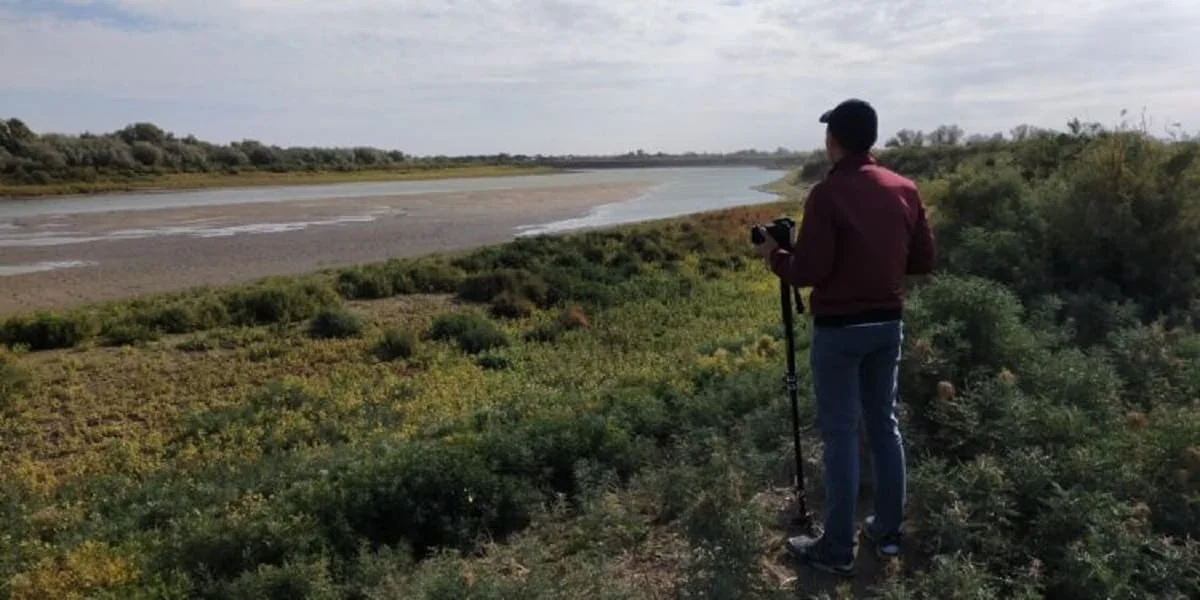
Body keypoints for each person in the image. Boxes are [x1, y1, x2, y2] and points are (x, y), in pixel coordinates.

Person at [753, 98, 936, 576]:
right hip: (888, 325)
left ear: (833, 140)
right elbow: (922, 261)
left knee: (839, 437)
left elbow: (808, 271)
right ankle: (887, 531)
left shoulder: (827, 194)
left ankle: (836, 549)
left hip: (839, 332)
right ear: (871, 138)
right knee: (884, 425)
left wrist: (776, 255)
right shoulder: (905, 189)